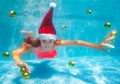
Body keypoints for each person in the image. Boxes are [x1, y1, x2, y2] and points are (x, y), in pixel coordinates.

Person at [12, 2, 115, 73]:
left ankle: (30, 34)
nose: (47, 44)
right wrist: (20, 63)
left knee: (47, 52)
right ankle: (29, 35)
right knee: (26, 46)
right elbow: (15, 53)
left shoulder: (57, 43)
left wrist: (96, 46)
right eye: (44, 40)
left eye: (50, 41)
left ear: (54, 40)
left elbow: (76, 42)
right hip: (35, 47)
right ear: (40, 40)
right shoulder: (34, 45)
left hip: (45, 47)